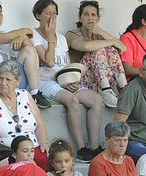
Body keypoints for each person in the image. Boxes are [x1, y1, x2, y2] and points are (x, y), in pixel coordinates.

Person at [31, 0, 102, 163]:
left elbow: (68, 65)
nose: (51, 17)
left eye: (54, 13)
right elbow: (49, 62)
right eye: (47, 13)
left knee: (96, 100)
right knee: (72, 100)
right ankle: (81, 149)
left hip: (64, 81)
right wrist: (49, 38)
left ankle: (94, 147)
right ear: (37, 15)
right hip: (46, 81)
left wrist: (73, 80)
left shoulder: (61, 38)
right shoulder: (33, 35)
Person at [0, 0, 47, 106]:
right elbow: (8, 37)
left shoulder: (5, 34)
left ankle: (35, 94)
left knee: (28, 50)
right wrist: (24, 31)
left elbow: (30, 45)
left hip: (13, 82)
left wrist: (22, 39)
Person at [0, 60, 50, 168]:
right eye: (0, 78)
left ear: (17, 82)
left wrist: (43, 142)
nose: (3, 82)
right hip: (9, 151)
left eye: (8, 79)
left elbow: (39, 122)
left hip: (32, 148)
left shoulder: (25, 95)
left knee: (45, 158)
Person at [65, 0, 127, 108]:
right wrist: (112, 42)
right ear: (80, 18)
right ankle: (106, 91)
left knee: (112, 50)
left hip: (99, 80)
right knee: (96, 49)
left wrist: (102, 32)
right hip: (80, 82)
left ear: (98, 19)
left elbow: (123, 47)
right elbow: (86, 46)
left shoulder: (99, 35)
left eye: (93, 15)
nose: (90, 18)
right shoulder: (71, 34)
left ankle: (125, 90)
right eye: (86, 14)